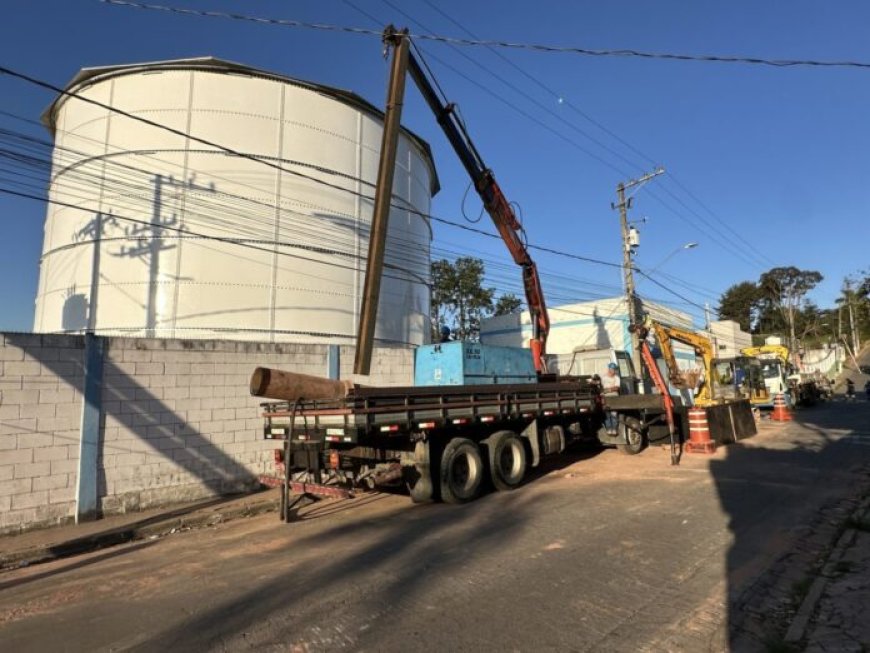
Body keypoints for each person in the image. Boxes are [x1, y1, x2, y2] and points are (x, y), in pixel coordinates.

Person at [602, 362, 620, 434]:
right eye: (613, 369)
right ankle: (609, 429)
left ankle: (614, 429)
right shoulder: (604, 378)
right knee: (607, 414)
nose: (614, 371)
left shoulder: (616, 378)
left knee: (614, 414)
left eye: (614, 369)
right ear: (609, 369)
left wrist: (608, 390)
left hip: (614, 397)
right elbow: (602, 389)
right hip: (606, 398)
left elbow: (616, 388)